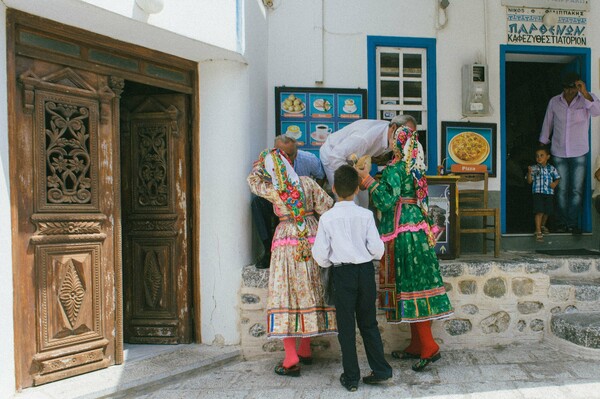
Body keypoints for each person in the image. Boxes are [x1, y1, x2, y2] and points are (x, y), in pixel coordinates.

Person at [358, 124, 453, 372]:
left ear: (397, 145)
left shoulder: (395, 169)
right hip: (419, 232)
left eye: (392, 139)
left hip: (403, 234)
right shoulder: (416, 169)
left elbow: (387, 200)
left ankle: (429, 346)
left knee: (410, 287)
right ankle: (417, 344)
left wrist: (368, 181)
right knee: (419, 287)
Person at [247, 148, 336, 377]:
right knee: (308, 289)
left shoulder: (275, 188)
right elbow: (327, 206)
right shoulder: (306, 182)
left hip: (286, 241)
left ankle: (291, 356)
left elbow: (253, 181)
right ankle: (305, 349)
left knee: (286, 293)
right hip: (310, 236)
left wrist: (262, 162)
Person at [311, 165, 392, 392]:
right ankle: (381, 370)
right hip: (365, 272)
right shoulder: (366, 216)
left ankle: (351, 377)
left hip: (342, 274)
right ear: (358, 189)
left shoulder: (327, 218)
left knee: (346, 327)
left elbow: (320, 255)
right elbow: (377, 250)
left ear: (334, 188)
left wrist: (331, 264)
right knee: (369, 323)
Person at [251, 135, 326, 268]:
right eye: (283, 155)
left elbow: (320, 177)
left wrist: (312, 202)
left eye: (291, 154)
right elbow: (257, 184)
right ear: (276, 151)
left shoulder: (309, 160)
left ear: (297, 150)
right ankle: (268, 250)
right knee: (257, 203)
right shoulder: (269, 161)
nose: (287, 159)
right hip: (277, 202)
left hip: (303, 204)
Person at [539, 72, 600, 234]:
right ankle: (560, 223)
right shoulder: (554, 102)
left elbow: (597, 111)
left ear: (578, 86)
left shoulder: (587, 100)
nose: (569, 92)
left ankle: (572, 223)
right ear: (563, 87)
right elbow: (548, 124)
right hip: (558, 152)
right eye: (566, 88)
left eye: (573, 88)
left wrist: (585, 93)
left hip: (579, 152)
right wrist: (542, 144)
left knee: (576, 190)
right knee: (561, 189)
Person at [319, 115, 417, 207]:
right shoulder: (364, 138)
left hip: (354, 160)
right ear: (393, 128)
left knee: (364, 203)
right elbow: (335, 157)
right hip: (333, 156)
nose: (407, 139)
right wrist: (357, 179)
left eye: (411, 136)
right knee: (351, 203)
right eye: (405, 134)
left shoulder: (392, 134)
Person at [526, 146, 560, 242]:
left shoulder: (551, 168)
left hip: (549, 193)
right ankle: (538, 231)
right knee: (539, 211)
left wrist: (554, 183)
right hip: (538, 193)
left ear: (548, 157)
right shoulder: (534, 168)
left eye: (541, 155)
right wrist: (529, 173)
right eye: (537, 156)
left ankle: (542, 225)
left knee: (547, 211)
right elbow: (529, 181)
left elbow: (558, 178)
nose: (539, 158)